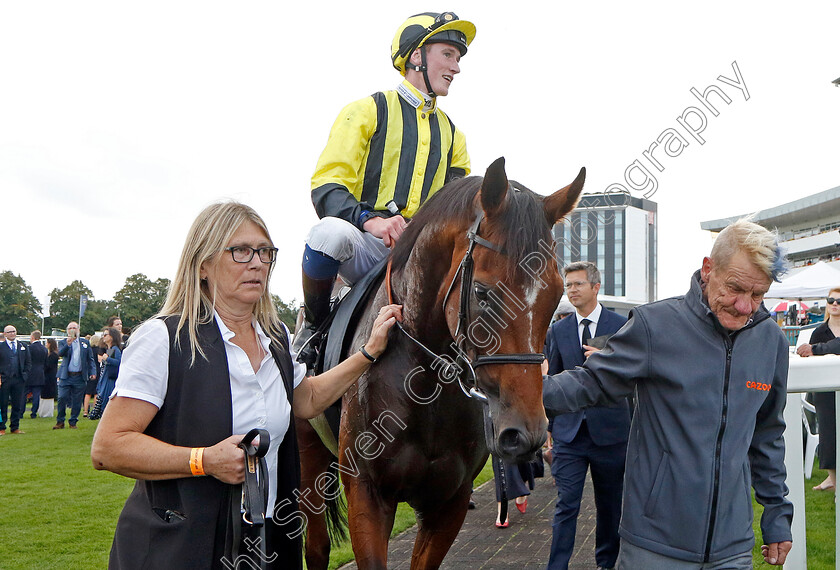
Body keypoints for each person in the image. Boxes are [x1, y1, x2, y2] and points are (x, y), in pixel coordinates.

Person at [90, 201, 401, 569]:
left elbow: (308, 399)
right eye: (240, 251)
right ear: (203, 265)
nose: (257, 263)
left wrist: (368, 351)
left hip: (266, 542)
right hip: (179, 547)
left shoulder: (276, 337)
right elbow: (109, 447)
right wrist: (202, 460)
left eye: (265, 252)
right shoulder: (164, 338)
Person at [542, 218, 793, 568]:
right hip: (654, 545)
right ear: (708, 269)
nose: (745, 306)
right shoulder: (654, 325)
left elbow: (766, 434)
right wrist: (520, 391)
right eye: (736, 288)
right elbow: (592, 382)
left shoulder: (771, 342)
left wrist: (777, 511)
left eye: (758, 294)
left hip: (732, 548)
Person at [293, 11, 474, 363]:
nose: (456, 67)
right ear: (417, 56)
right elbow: (327, 184)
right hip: (368, 247)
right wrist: (371, 221)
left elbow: (456, 208)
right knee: (328, 234)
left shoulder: (454, 135)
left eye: (458, 58)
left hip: (421, 257)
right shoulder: (366, 110)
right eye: (448, 55)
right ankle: (313, 328)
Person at [544, 262, 628, 570]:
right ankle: (557, 566)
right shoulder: (558, 330)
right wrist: (550, 431)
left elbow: (632, 378)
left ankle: (607, 564)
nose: (572, 290)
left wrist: (609, 361)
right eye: (568, 285)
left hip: (612, 433)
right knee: (566, 506)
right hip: (569, 435)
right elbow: (551, 380)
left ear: (596, 287)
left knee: (610, 508)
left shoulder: (621, 325)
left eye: (578, 284)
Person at [795, 287, 840, 491]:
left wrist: (816, 350)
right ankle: (833, 480)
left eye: (839, 301)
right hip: (825, 392)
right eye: (831, 300)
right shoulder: (819, 332)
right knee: (828, 433)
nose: (835, 304)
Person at [55, 321, 97, 429]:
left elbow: (90, 359)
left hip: (79, 376)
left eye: (75, 328)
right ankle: (60, 421)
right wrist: (68, 344)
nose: (73, 330)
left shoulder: (85, 343)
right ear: (67, 331)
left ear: (78, 330)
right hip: (66, 376)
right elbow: (60, 354)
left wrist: (92, 372)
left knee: (77, 400)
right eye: (70, 328)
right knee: (62, 398)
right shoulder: (63, 342)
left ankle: (73, 421)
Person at [0, 324, 32, 434]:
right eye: (9, 332)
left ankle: (15, 427)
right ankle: (1, 427)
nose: (12, 333)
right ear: (5, 334)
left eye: (14, 331)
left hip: (19, 379)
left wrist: (25, 375)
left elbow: (28, 362)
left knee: (17, 404)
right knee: (2, 404)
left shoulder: (23, 346)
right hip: (4, 380)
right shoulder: (1, 347)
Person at [94, 327, 122, 412]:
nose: (103, 337)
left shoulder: (114, 349)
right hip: (107, 378)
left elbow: (118, 362)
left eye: (105, 335)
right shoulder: (110, 349)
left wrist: (107, 359)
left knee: (107, 402)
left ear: (112, 337)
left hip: (110, 380)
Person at [26, 330, 48, 418]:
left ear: (33, 337)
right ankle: (34, 413)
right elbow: (46, 363)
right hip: (40, 374)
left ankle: (21, 412)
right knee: (36, 395)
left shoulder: (29, 348)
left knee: (24, 394)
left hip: (30, 374)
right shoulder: (44, 349)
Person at [84, 333, 104, 417]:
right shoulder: (100, 350)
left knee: (88, 392)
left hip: (89, 371)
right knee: (96, 392)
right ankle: (94, 410)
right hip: (98, 371)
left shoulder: (89, 350)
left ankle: (85, 411)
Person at [40, 338, 59, 418]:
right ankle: (43, 411)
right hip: (49, 376)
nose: (46, 344)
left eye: (47, 343)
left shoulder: (53, 355)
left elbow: (48, 366)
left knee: (48, 394)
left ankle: (47, 412)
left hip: (50, 377)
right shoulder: (50, 354)